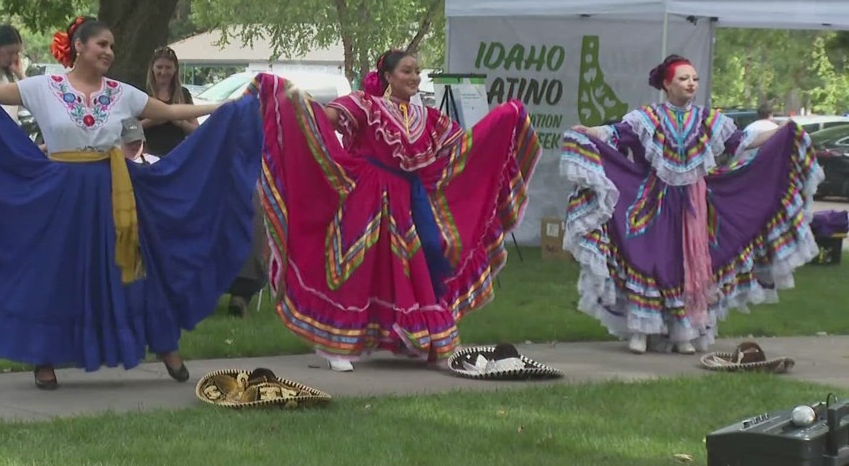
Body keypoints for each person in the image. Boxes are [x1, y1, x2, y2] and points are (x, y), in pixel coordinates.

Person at [0, 13, 263, 390]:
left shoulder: (121, 92)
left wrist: (227, 107)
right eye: (102, 44)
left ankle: (166, 346)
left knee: (134, 268)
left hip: (115, 190)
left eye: (112, 46)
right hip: (61, 193)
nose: (109, 52)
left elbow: (172, 112)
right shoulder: (44, 87)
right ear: (79, 47)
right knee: (56, 272)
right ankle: (44, 358)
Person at [257, 48, 542, 372]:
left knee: (433, 253)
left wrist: (505, 117)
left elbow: (465, 145)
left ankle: (424, 332)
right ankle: (335, 345)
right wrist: (287, 96)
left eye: (417, 71)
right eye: (407, 71)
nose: (414, 77)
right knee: (355, 264)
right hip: (367, 192)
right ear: (389, 76)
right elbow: (327, 119)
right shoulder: (365, 104)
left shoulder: (428, 118)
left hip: (411, 198)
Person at [562, 54, 820, 355]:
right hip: (652, 203)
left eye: (694, 79)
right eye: (683, 79)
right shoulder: (646, 119)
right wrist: (589, 132)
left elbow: (741, 141)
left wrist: (782, 131)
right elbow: (615, 135)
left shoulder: (708, 120)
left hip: (694, 207)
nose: (691, 84)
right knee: (649, 260)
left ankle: (682, 331)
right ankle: (640, 331)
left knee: (685, 266)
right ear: (667, 84)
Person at [141, 46, 196, 158]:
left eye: (168, 67)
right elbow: (129, 129)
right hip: (146, 158)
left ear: (175, 69)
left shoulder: (183, 94)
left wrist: (180, 122)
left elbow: (196, 130)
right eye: (159, 67)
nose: (163, 72)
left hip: (177, 158)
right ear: (152, 68)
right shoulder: (141, 93)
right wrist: (153, 120)